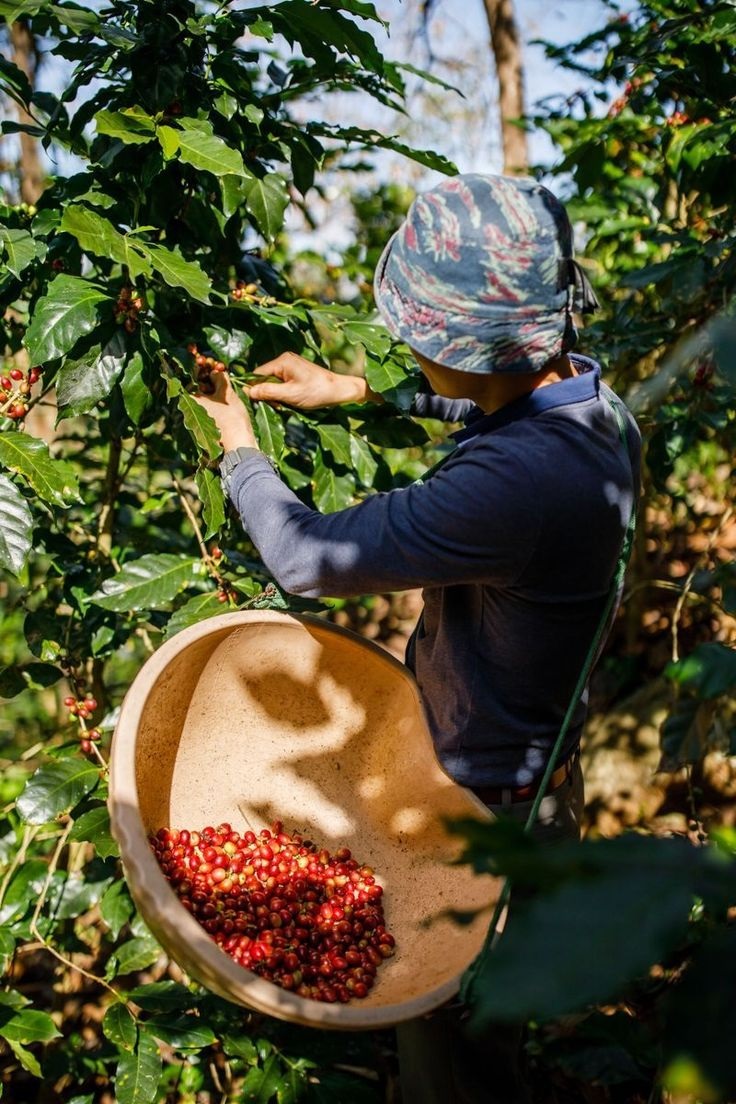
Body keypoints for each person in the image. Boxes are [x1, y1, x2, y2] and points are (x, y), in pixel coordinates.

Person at [193, 173, 640, 1103]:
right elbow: (494, 399)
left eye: (421, 341)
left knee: (454, 1041)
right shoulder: (596, 408)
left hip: (480, 816)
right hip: (540, 774)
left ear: (470, 345)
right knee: (505, 1026)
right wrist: (356, 391)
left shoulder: (512, 489)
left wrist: (239, 447)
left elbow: (309, 559)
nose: (408, 348)